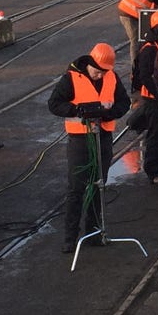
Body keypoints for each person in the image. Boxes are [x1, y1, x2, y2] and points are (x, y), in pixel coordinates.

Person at [47, 42, 129, 252]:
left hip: (103, 137)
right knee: (76, 188)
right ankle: (70, 238)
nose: (100, 76)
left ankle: (93, 231)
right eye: (97, 71)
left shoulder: (111, 77)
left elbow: (124, 103)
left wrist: (107, 114)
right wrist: (76, 110)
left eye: (103, 72)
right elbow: (54, 104)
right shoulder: (72, 78)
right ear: (89, 63)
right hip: (80, 141)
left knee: (98, 184)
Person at [128, 19, 158, 186]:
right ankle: (154, 171)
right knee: (156, 135)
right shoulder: (149, 50)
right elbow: (145, 76)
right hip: (153, 99)